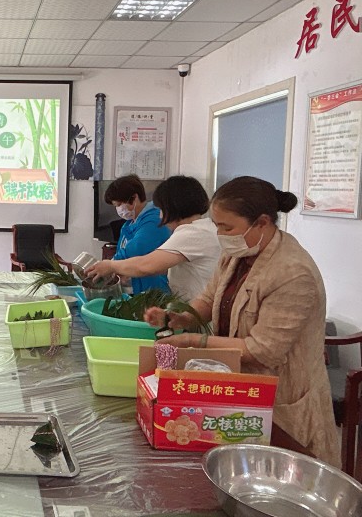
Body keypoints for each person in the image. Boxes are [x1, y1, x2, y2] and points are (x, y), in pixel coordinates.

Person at [144, 176, 340, 467]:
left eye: (227, 228)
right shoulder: (237, 253)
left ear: (262, 223)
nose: (220, 235)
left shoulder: (293, 273)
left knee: (277, 476)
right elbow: (210, 298)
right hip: (240, 391)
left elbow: (263, 350)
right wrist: (180, 317)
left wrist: (193, 340)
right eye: (217, 225)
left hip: (281, 400)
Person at [86, 176, 220, 301]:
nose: (160, 216)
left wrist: (111, 266)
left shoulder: (192, 233)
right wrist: (125, 270)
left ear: (173, 207)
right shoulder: (201, 228)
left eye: (161, 209)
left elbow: (147, 265)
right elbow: (165, 267)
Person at [103, 174, 171, 293]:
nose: (118, 209)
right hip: (138, 289)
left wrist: (110, 265)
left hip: (154, 291)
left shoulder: (154, 220)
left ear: (134, 198)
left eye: (119, 204)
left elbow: (136, 248)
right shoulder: (129, 224)